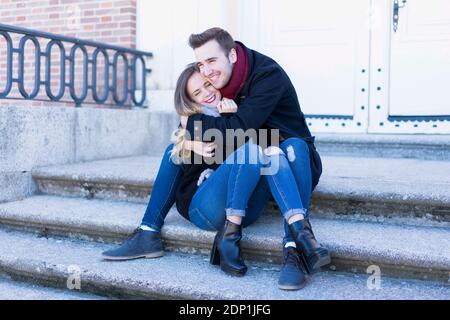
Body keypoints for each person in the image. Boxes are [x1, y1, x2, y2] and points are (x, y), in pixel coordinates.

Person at [180, 28, 331, 288]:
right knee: (263, 150)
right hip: (259, 166)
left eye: (212, 61)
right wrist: (186, 130)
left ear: (232, 55)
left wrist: (191, 123)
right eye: (201, 64)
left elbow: (238, 130)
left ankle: (294, 250)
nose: (206, 71)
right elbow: (225, 138)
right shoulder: (218, 88)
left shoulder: (266, 75)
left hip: (296, 164)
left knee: (289, 147)